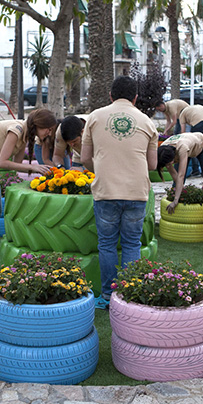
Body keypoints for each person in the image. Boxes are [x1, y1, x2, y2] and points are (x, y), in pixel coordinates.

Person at [81, 76, 158, 310]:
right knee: (132, 244)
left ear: (110, 95)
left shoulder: (94, 117)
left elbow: (85, 159)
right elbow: (152, 165)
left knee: (106, 244)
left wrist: (104, 170)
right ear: (135, 98)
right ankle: (128, 295)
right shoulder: (147, 122)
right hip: (136, 192)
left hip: (106, 191)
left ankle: (106, 295)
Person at [0, 109, 56, 278]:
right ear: (37, 125)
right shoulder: (16, 130)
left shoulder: (25, 136)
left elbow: (16, 164)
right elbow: (3, 162)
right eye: (47, 129)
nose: (49, 133)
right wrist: (33, 167)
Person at [156, 133, 203, 213]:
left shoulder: (182, 148)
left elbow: (181, 175)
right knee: (176, 185)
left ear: (173, 156)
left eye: (169, 163)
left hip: (202, 143)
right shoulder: (163, 151)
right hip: (188, 143)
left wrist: (175, 201)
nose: (168, 166)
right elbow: (175, 175)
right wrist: (180, 193)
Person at [177, 104, 203, 177]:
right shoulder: (194, 108)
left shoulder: (182, 114)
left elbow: (183, 131)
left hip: (198, 123)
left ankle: (196, 170)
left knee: (195, 147)